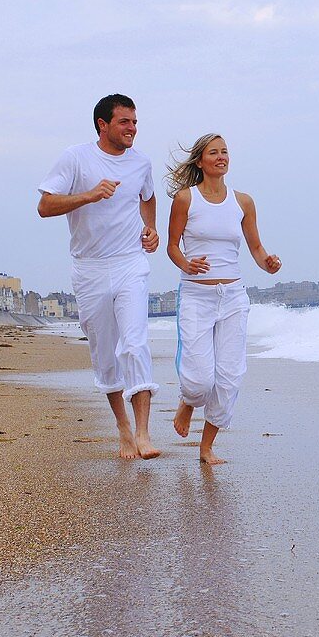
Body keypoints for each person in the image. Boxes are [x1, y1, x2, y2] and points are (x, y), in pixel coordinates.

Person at [37, 93, 162, 460]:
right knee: (105, 353)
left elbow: (148, 196)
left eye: (135, 122)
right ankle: (123, 427)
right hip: (89, 267)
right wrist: (89, 196)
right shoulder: (76, 158)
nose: (132, 129)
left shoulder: (141, 163)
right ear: (102, 125)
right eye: (125, 122)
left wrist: (151, 228)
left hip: (129, 262)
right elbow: (45, 206)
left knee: (136, 342)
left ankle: (143, 433)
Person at [165, 133, 281, 464]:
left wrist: (268, 263)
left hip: (232, 296)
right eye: (213, 152)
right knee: (201, 378)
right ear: (200, 161)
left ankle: (206, 448)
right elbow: (172, 245)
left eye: (225, 152)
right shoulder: (186, 199)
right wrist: (187, 263)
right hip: (196, 296)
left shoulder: (243, 201)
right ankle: (188, 401)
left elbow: (256, 249)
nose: (221, 157)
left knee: (229, 376)